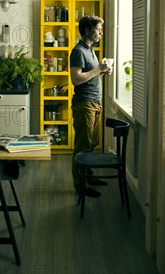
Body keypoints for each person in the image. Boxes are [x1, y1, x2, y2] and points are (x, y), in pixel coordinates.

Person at [70, 15, 112, 198]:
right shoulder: (78, 51)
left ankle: (89, 176)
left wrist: (102, 71)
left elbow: (90, 76)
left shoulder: (90, 50)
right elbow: (76, 79)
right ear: (87, 30)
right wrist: (98, 70)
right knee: (82, 147)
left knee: (91, 144)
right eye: (98, 29)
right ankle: (81, 186)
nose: (101, 33)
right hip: (84, 104)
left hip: (94, 103)